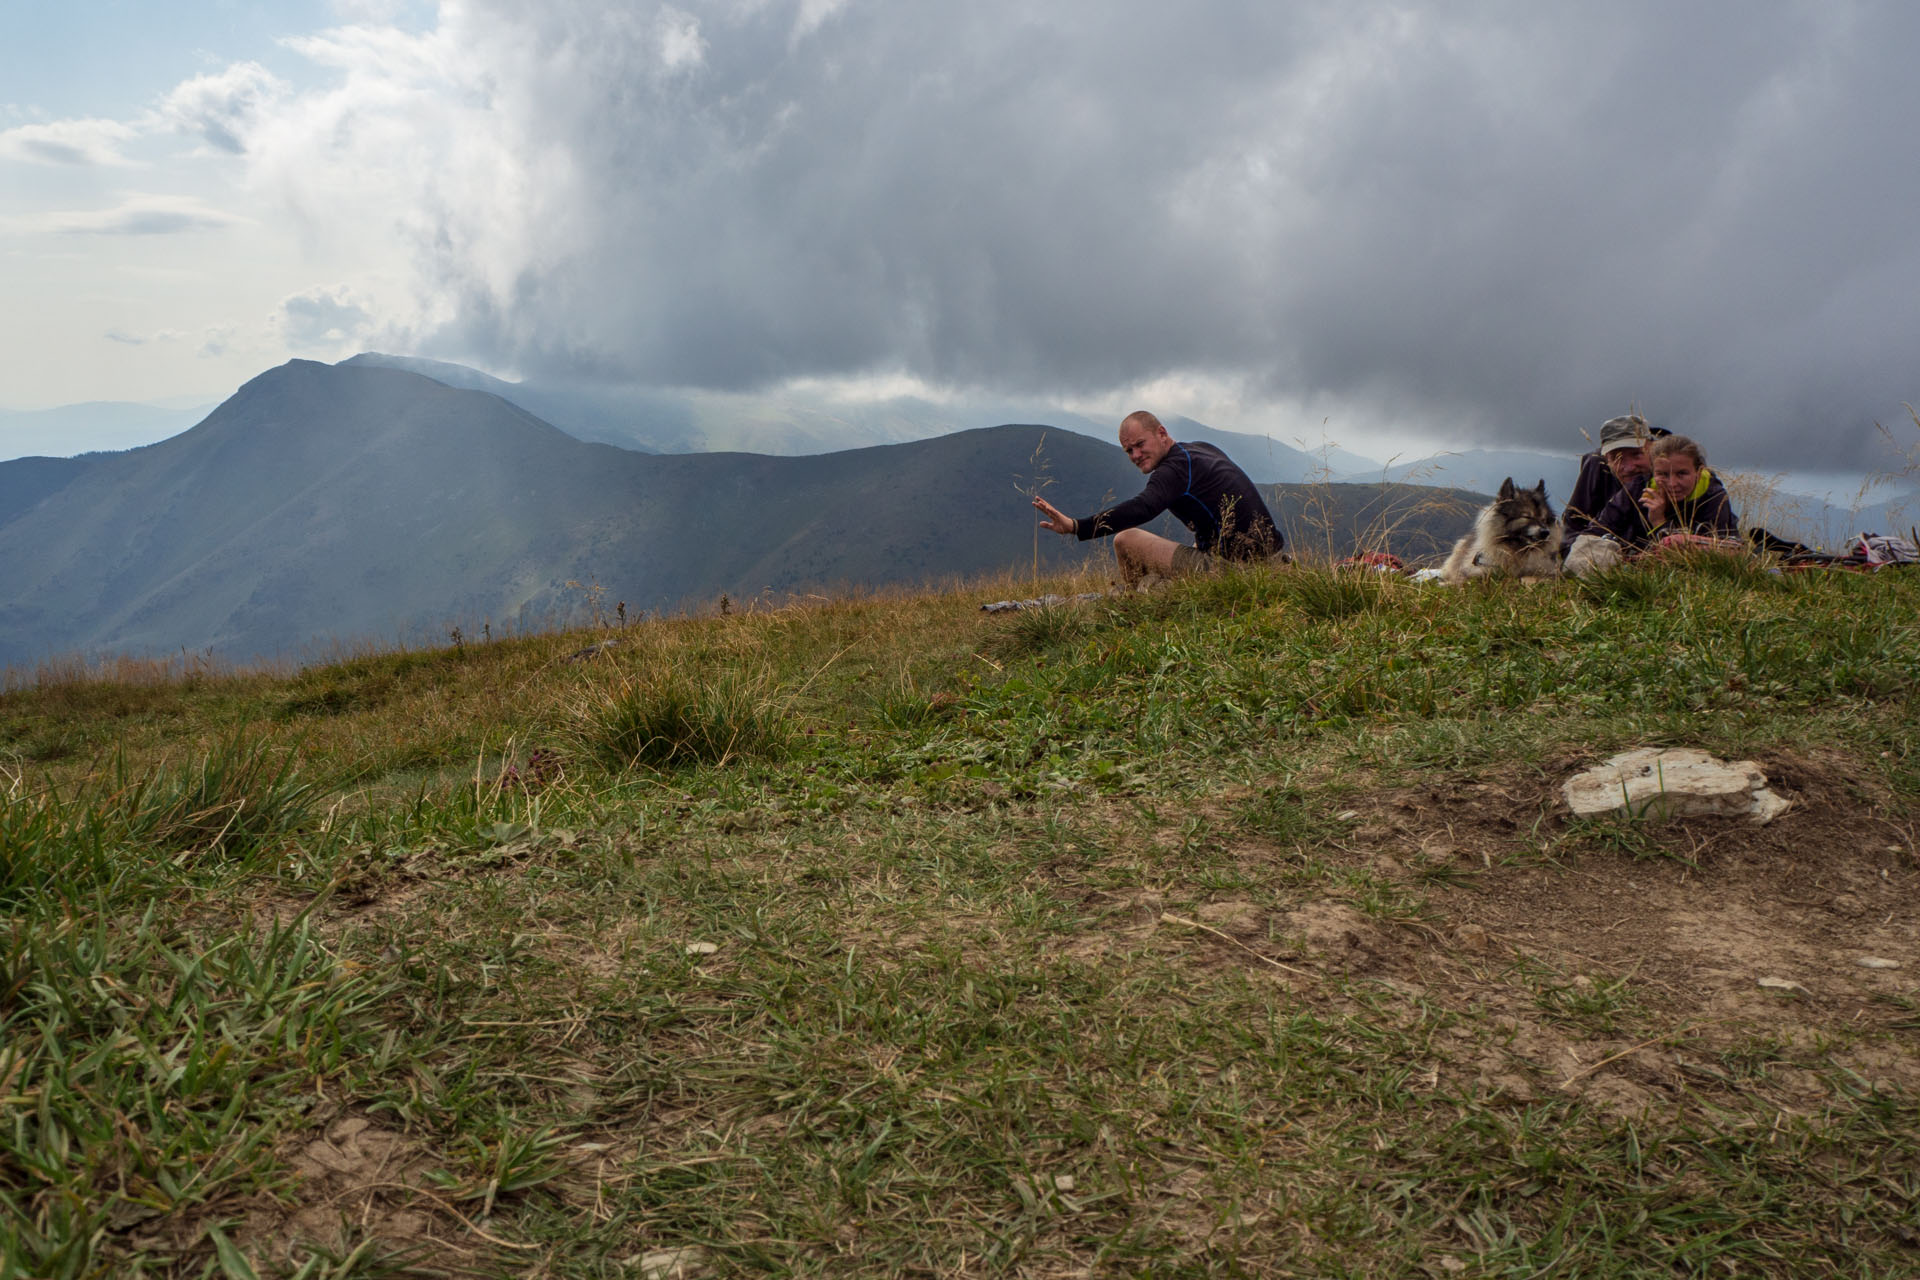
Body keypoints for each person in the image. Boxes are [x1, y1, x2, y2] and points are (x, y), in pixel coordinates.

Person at [1032, 410, 1282, 586]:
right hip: (1271, 561)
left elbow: (1143, 508)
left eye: (1140, 444)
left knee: (1125, 540)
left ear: (1161, 433)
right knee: (1191, 547)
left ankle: (1137, 602)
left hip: (1238, 572)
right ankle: (1157, 587)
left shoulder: (1172, 470)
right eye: (1129, 450)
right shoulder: (1200, 449)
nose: (1136, 455)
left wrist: (1077, 526)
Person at [1589, 433, 1739, 553]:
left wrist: (1659, 522)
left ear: (1699, 472)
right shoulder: (1638, 488)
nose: (1672, 483)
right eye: (1663, 474)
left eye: (1682, 473)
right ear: (1652, 471)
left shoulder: (1713, 496)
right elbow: (1598, 530)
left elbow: (1710, 556)